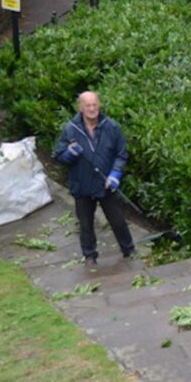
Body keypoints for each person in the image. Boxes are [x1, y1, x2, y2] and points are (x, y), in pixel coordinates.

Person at [53, 91, 135, 265]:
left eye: (94, 105)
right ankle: (90, 256)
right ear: (80, 108)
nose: (92, 109)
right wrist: (69, 154)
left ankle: (129, 250)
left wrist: (115, 174)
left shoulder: (112, 127)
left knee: (118, 220)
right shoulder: (70, 129)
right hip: (82, 185)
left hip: (106, 184)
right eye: (87, 105)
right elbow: (58, 156)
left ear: (99, 105)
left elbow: (121, 154)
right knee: (85, 224)